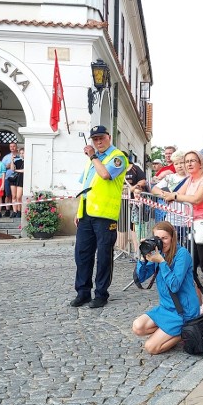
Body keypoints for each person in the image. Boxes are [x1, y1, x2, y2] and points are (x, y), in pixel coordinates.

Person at [72, 126, 128, 309]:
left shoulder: (118, 157)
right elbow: (87, 188)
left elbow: (105, 175)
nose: (98, 142)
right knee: (82, 254)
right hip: (87, 213)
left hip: (105, 215)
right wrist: (79, 212)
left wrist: (93, 156)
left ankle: (101, 294)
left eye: (101, 138)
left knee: (104, 256)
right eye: (94, 139)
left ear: (109, 137)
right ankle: (83, 292)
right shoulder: (92, 160)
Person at [160, 150, 203, 312]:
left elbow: (196, 199)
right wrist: (171, 194)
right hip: (192, 226)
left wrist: (173, 196)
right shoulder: (190, 179)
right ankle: (196, 303)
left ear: (201, 163)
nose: (189, 164)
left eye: (193, 160)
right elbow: (178, 194)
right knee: (190, 266)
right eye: (187, 161)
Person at [132, 221, 201, 354]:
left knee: (151, 347)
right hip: (166, 307)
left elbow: (174, 286)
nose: (162, 242)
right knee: (138, 327)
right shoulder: (159, 253)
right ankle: (167, 332)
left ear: (172, 238)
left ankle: (184, 332)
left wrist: (162, 263)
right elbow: (140, 278)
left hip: (183, 311)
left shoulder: (182, 254)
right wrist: (143, 258)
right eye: (158, 239)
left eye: (165, 238)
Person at [1, 143, 20, 218]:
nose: (12, 148)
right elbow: (1, 168)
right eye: (11, 146)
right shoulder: (6, 157)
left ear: (16, 147)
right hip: (8, 178)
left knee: (16, 196)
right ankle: (7, 210)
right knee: (8, 195)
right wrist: (7, 166)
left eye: (14, 146)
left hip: (17, 177)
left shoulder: (20, 156)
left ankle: (16, 211)